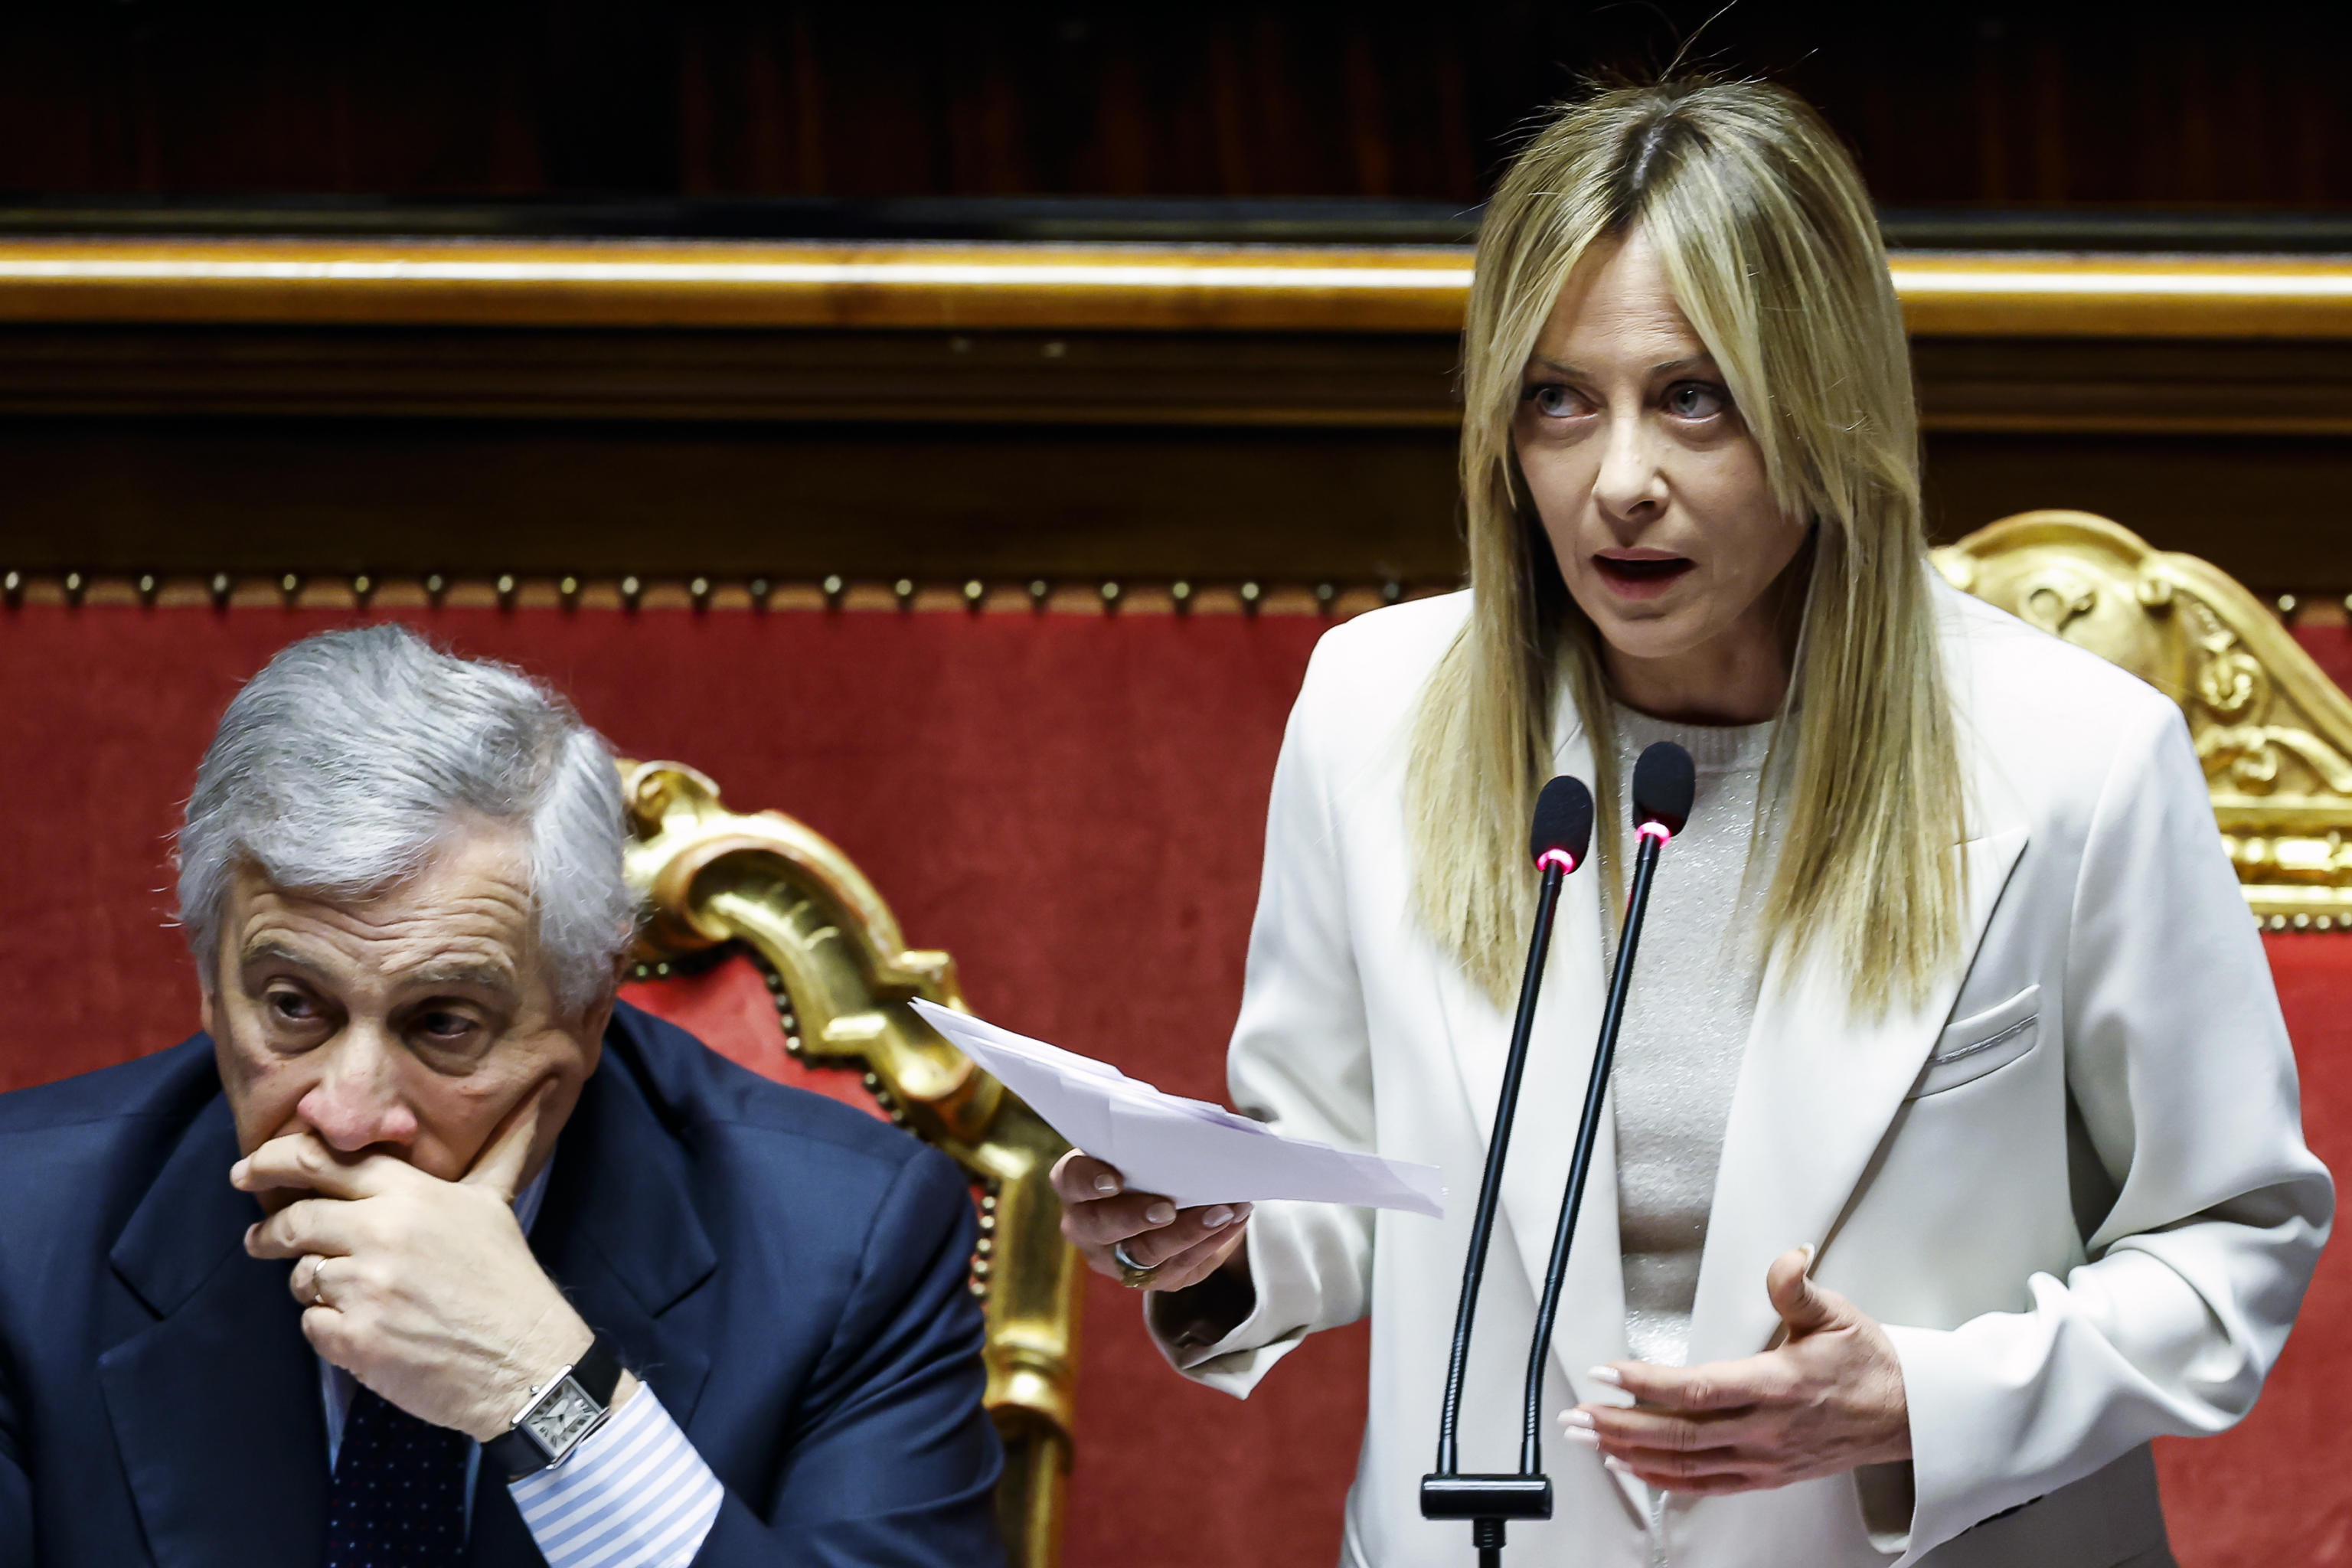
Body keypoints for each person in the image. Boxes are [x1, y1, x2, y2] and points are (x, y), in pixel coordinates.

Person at [1050, 78, 2333, 1568]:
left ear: (1822, 406)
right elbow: (1351, 1174)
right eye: (1559, 400)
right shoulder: (1374, 709)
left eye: (1692, 396)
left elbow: (2234, 1240)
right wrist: (1221, 1224)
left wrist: (1920, 1399)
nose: (1620, 483)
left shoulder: (2079, 759)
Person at [0, 625, 1004, 1567]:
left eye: (444, 1023)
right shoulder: (20, 1235)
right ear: (211, 989)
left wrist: (549, 1391)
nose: (347, 1115)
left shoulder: (849, 1245)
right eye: (295, 1007)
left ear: (590, 1005)